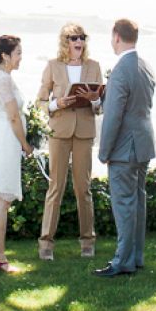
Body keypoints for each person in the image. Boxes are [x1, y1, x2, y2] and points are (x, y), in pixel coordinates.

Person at [35, 22, 103, 261]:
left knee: (83, 188)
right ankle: (46, 243)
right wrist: (56, 104)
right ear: (65, 42)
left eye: (82, 38)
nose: (79, 42)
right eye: (74, 38)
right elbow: (40, 101)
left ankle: (87, 241)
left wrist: (95, 100)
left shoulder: (94, 67)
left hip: (84, 132)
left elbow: (99, 106)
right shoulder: (53, 66)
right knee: (56, 187)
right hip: (60, 132)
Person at [95, 18, 156, 278]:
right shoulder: (145, 66)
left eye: (112, 38)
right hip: (144, 143)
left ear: (117, 37)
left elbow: (113, 117)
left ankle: (122, 261)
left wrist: (103, 151)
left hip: (124, 148)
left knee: (124, 205)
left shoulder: (121, 70)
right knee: (138, 204)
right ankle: (136, 256)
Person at [0, 34, 33, 273]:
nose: (21, 58)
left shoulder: (4, 78)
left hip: (5, 140)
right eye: (18, 54)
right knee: (2, 200)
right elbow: (13, 116)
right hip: (5, 141)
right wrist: (25, 144)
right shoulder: (3, 80)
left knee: (1, 201)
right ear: (5, 56)